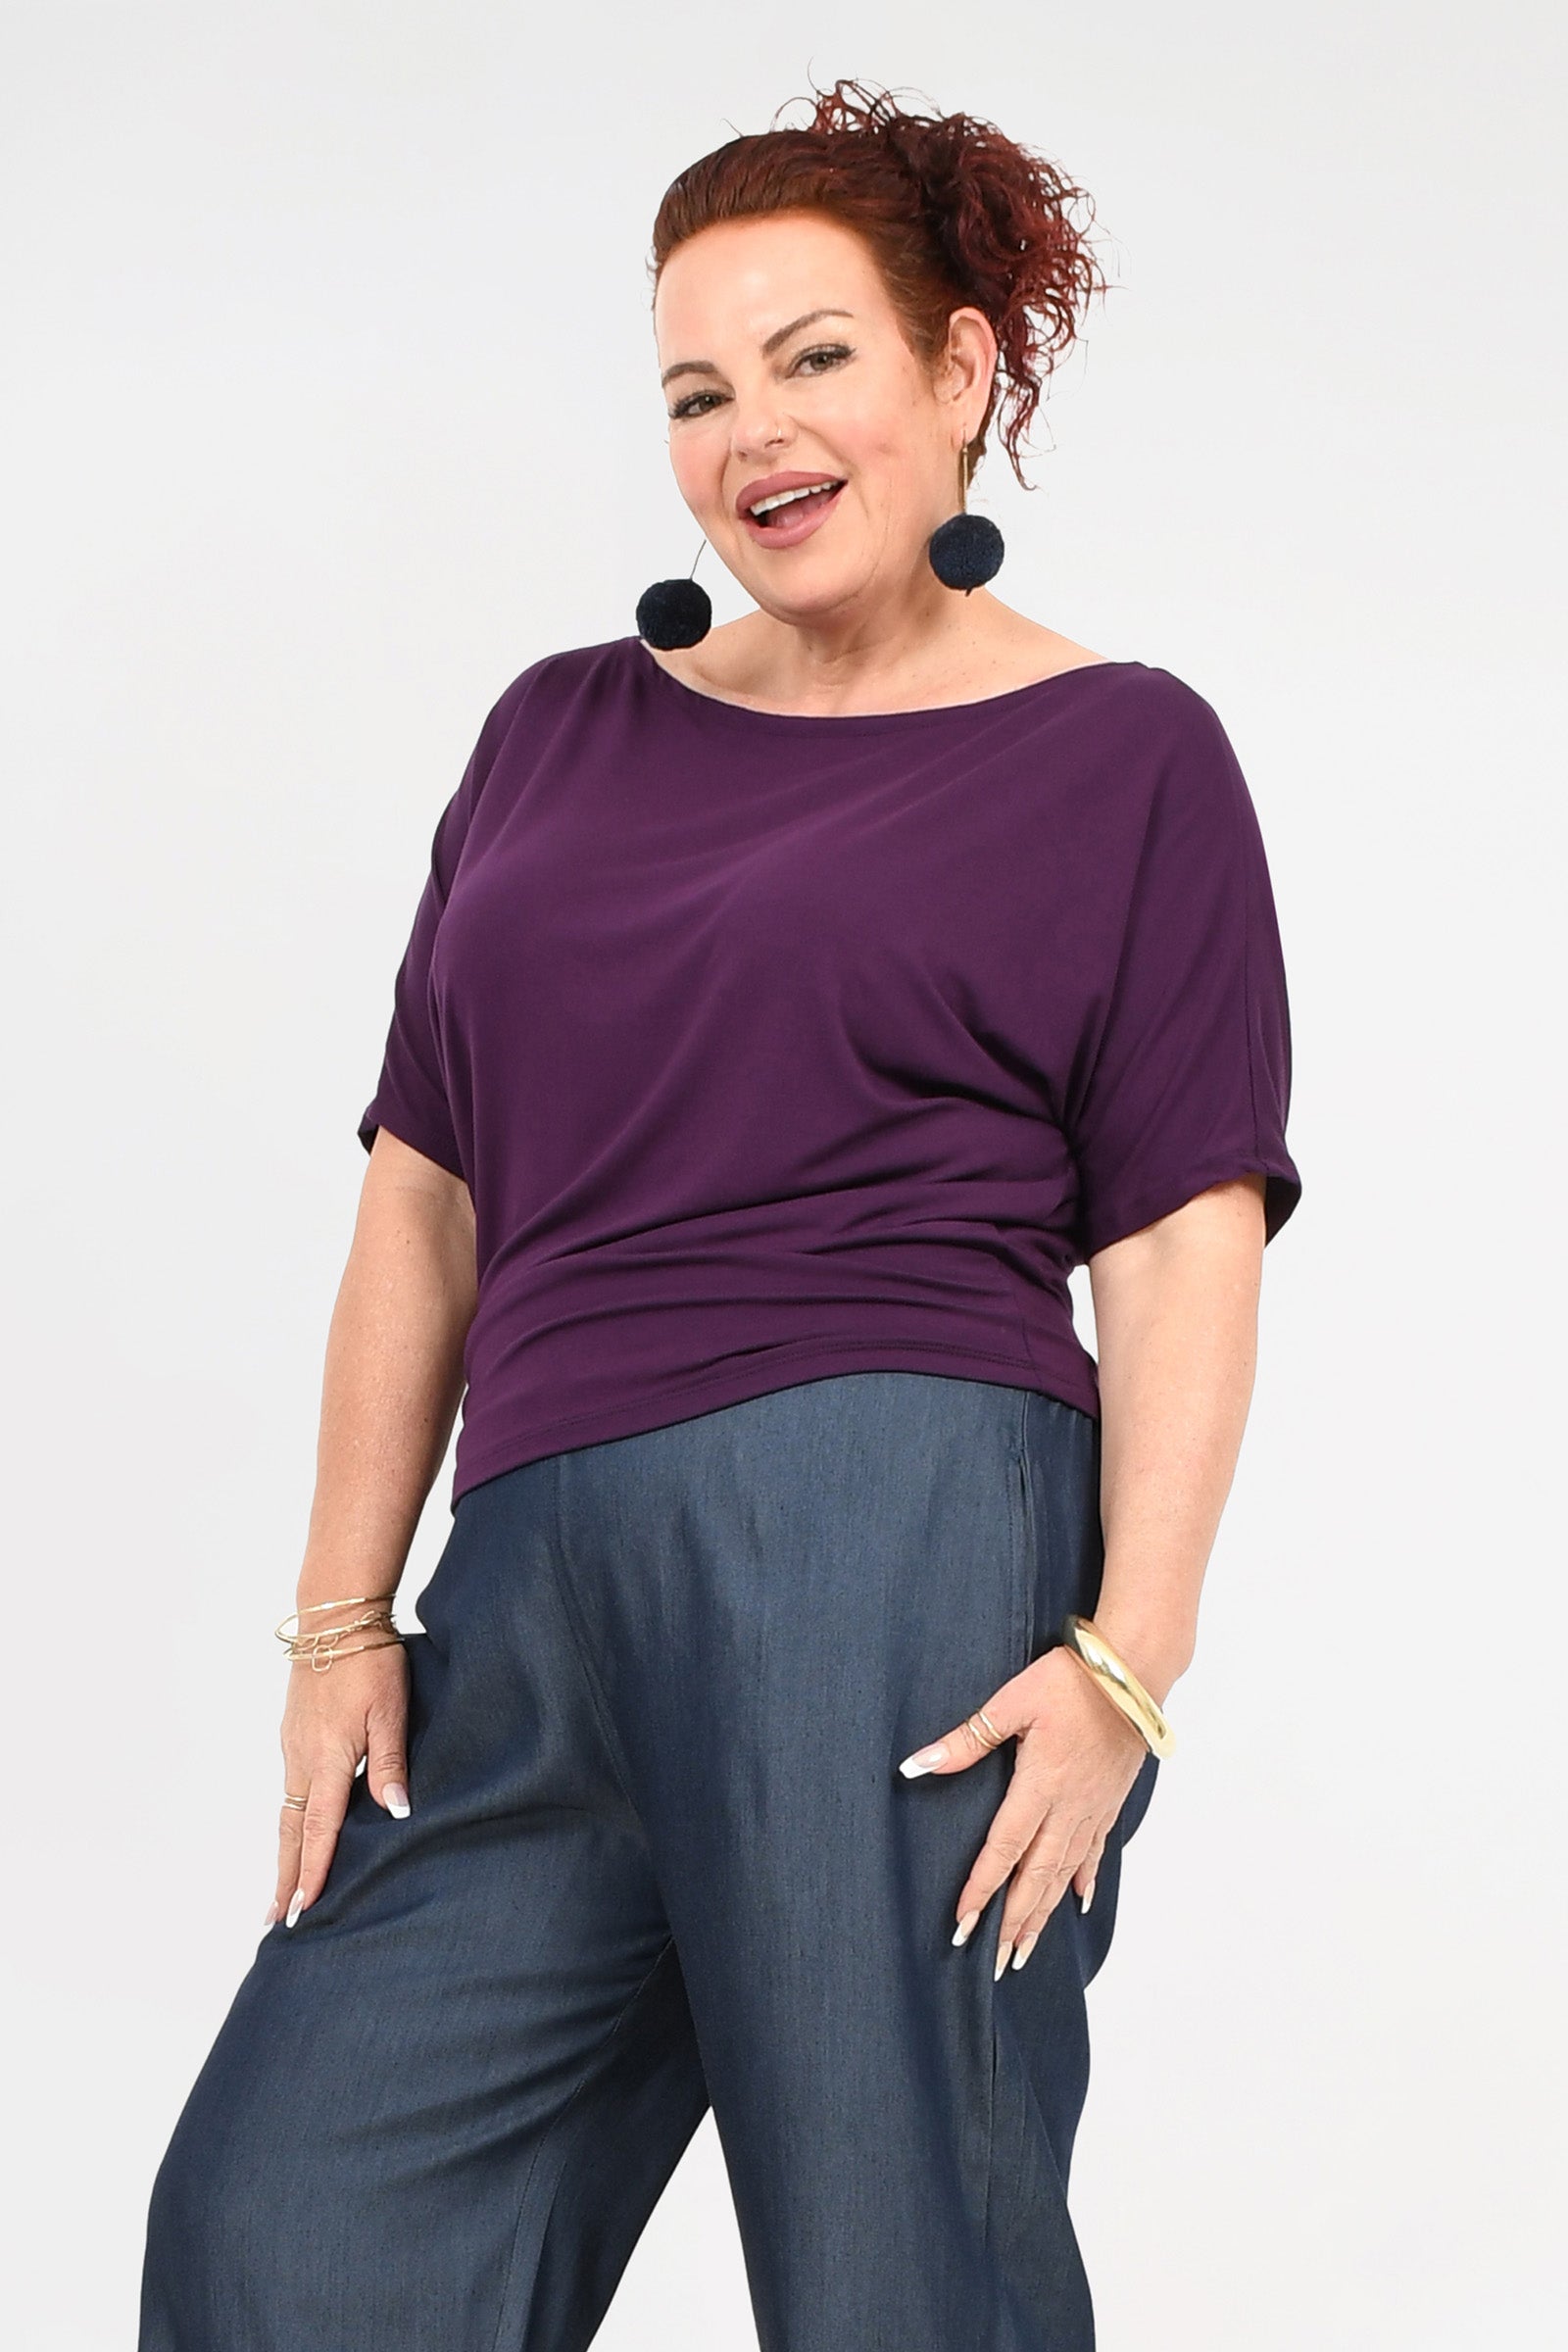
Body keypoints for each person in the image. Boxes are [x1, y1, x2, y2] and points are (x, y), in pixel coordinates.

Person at [138, 76, 1301, 2352]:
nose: (747, 430)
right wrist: (340, 1620)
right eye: (693, 390)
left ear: (955, 373)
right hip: (524, 1591)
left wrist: (1125, 1659)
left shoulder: (1117, 752)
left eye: (811, 357)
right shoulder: (556, 734)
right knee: (288, 2234)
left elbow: (1182, 1231)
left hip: (888, 1546)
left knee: (894, 2269)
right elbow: (424, 1195)